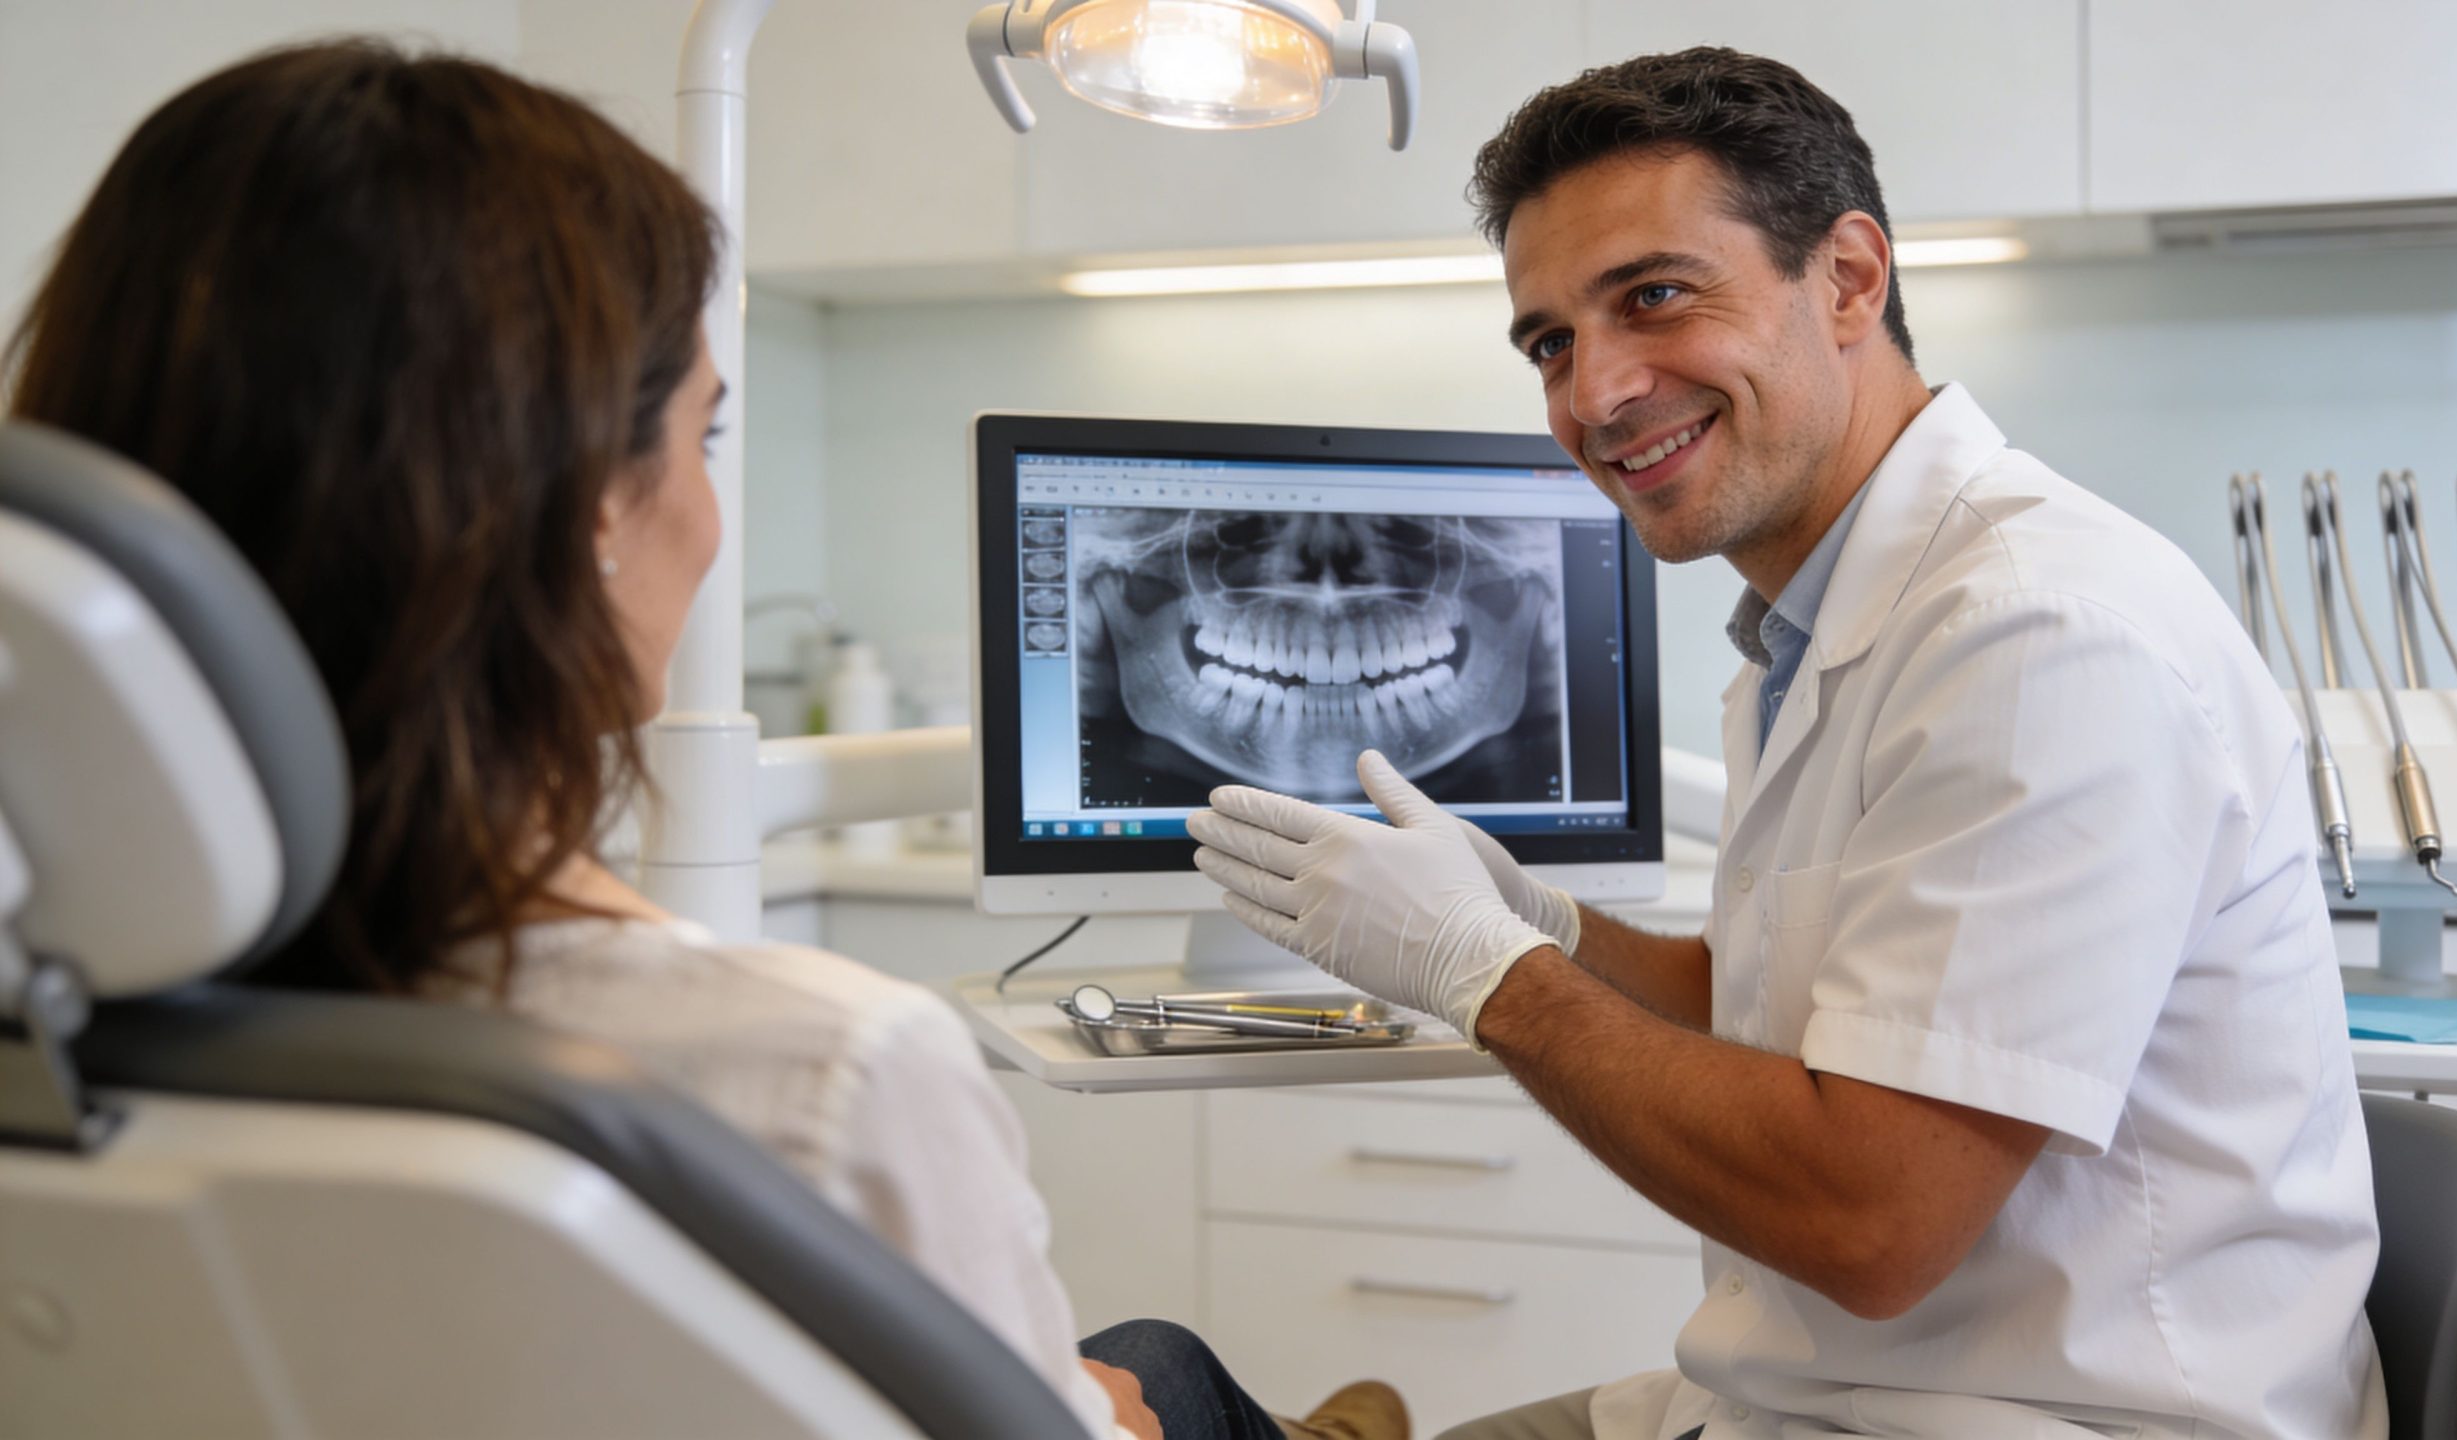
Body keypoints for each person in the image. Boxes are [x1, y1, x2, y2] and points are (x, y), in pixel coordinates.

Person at [3, 41, 1406, 1440]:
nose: (710, 516)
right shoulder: (830, 1072)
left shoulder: (57, 1059)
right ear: (588, 513)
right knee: (1158, 1377)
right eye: (702, 435)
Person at [1186, 47, 2382, 1440]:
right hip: (1809, 1398)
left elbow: (1873, 1218)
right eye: (1551, 342)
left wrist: (1489, 975)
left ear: (1850, 280)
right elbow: (1786, 1013)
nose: (1594, 394)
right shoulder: (1817, 626)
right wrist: (1549, 925)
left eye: (1654, 297)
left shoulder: (2042, 636)